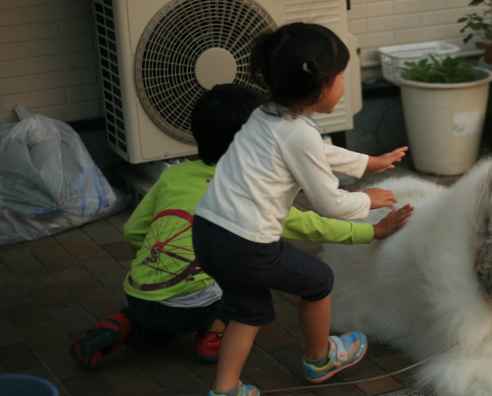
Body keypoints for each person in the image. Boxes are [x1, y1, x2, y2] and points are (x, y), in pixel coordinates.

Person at [69, 84, 411, 372]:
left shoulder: (171, 176)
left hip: (140, 291)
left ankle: (120, 325)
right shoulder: (251, 189)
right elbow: (311, 226)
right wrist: (373, 232)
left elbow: (133, 232)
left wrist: (156, 261)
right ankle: (213, 334)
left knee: (152, 314)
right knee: (244, 282)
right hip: (199, 304)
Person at [192, 23, 411, 396]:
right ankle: (321, 359)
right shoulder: (298, 136)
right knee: (317, 280)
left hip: (207, 234)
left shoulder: (267, 115)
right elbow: (329, 203)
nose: (345, 84)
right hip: (248, 243)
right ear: (319, 85)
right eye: (342, 77)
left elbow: (318, 153)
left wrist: (368, 163)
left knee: (250, 308)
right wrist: (367, 199)